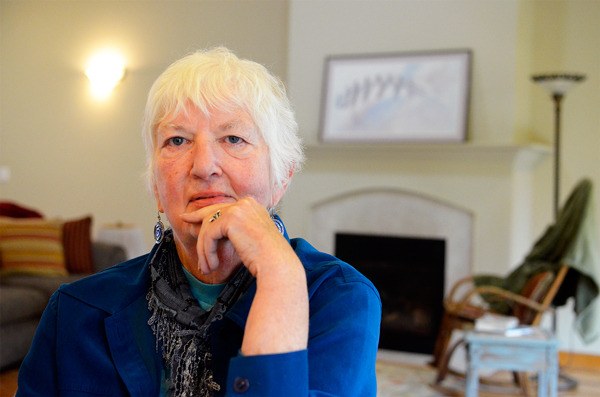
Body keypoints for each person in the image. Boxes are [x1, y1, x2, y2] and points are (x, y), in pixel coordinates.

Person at [17, 47, 381, 396]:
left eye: (233, 138)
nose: (204, 165)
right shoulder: (76, 310)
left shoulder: (341, 299)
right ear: (157, 188)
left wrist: (280, 275)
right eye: (177, 140)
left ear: (281, 178)